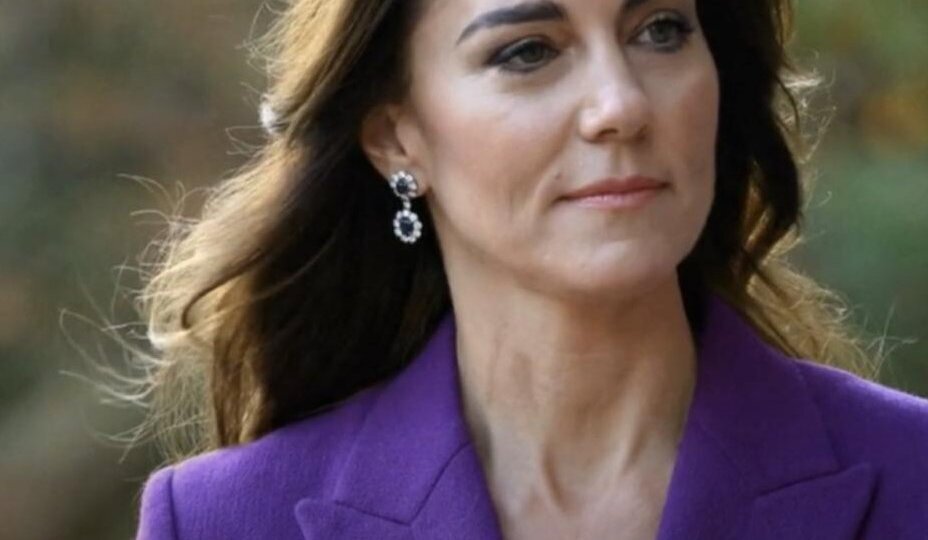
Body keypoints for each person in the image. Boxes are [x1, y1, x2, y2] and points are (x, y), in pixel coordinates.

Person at [131, 0, 928, 538]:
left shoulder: (910, 474)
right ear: (396, 138)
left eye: (660, 30)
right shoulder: (220, 522)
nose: (621, 105)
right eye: (528, 51)